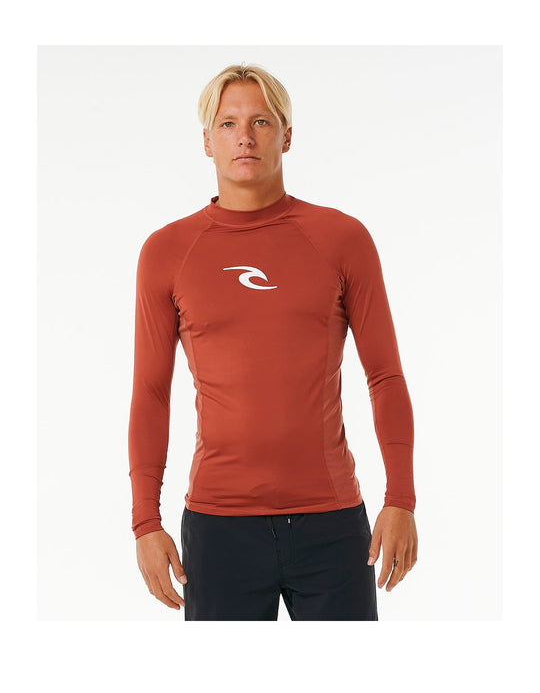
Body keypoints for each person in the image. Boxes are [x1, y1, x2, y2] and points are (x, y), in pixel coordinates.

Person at [128, 62, 418, 621]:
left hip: (332, 522)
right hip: (218, 526)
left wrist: (401, 499)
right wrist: (145, 521)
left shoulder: (342, 238)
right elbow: (151, 393)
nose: (245, 136)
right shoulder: (167, 252)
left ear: (286, 135)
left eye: (261, 121)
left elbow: (384, 375)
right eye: (228, 123)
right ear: (207, 141)